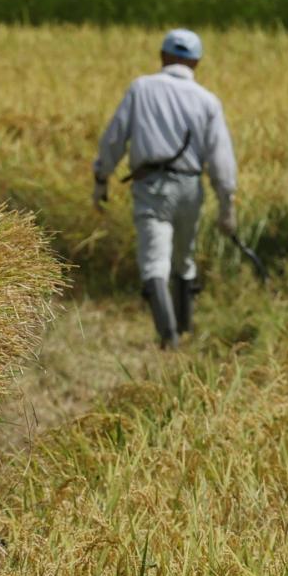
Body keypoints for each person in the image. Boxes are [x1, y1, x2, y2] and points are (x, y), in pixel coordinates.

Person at [92, 28, 239, 348]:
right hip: (191, 187)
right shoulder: (207, 101)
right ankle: (183, 328)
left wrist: (102, 177)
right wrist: (227, 206)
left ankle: (169, 339)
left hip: (153, 187)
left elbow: (114, 138)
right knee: (184, 259)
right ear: (197, 62)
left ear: (162, 56)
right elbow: (221, 158)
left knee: (154, 261)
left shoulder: (141, 88)